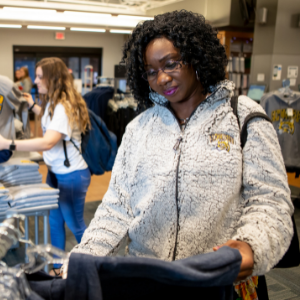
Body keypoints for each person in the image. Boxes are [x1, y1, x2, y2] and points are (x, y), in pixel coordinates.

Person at [66, 10, 293, 293]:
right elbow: (116, 208)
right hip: (149, 283)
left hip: (219, 283)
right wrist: (80, 261)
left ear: (196, 58)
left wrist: (250, 245)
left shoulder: (242, 118)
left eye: (171, 64)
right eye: (151, 71)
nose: (161, 78)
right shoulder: (139, 129)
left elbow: (270, 202)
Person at [0, 57, 91, 275]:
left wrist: (7, 143)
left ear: (54, 79)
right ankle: (58, 267)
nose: (36, 80)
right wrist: (32, 106)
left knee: (75, 224)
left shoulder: (63, 107)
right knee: (54, 221)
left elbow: (48, 142)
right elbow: (48, 117)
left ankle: (93, 264)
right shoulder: (52, 103)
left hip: (72, 176)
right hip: (56, 173)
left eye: (41, 76)